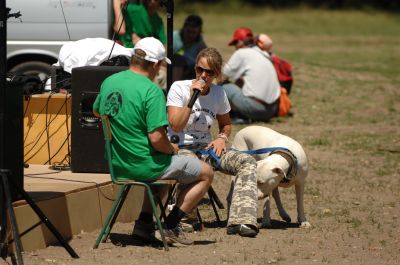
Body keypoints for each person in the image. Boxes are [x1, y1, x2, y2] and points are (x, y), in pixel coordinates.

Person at [93, 37, 214, 245]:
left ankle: (144, 225)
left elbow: (97, 112)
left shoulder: (109, 82)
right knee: (206, 173)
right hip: (144, 167)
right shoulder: (152, 91)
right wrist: (172, 149)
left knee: (164, 164)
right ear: (156, 65)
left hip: (117, 165)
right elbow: (157, 138)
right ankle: (170, 227)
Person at [167, 47, 259, 237]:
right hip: (181, 148)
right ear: (195, 68)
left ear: (216, 74)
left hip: (207, 149)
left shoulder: (219, 93)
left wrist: (221, 138)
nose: (203, 75)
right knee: (192, 165)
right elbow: (175, 125)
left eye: (209, 72)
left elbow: (226, 125)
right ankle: (184, 219)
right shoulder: (179, 88)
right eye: (200, 69)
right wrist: (192, 98)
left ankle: (241, 220)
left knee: (247, 162)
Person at [222, 27, 281, 123]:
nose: (235, 47)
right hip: (273, 110)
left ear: (240, 42)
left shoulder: (241, 53)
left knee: (222, 86)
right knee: (239, 82)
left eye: (235, 43)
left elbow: (222, 75)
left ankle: (237, 115)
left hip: (256, 110)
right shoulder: (264, 54)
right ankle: (242, 114)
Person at [172, 14, 207, 80]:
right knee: (179, 59)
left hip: (191, 70)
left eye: (194, 33)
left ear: (199, 32)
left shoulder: (200, 42)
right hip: (174, 67)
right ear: (184, 28)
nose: (190, 35)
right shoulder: (174, 37)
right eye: (188, 31)